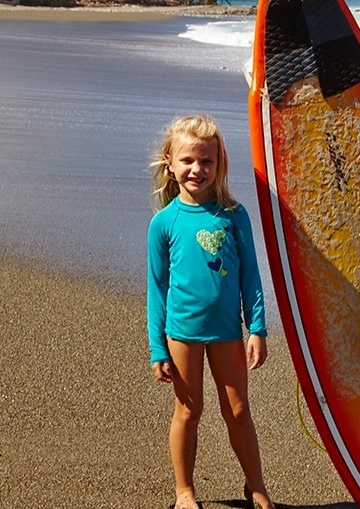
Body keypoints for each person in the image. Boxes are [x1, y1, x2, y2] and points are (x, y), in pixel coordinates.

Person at [146, 114, 277, 509]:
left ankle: (257, 488)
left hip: (227, 331)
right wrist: (157, 347)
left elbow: (251, 277)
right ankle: (184, 491)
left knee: (238, 410)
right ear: (170, 162)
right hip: (181, 331)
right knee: (188, 409)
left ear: (219, 164)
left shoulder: (233, 215)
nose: (197, 169)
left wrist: (257, 328)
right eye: (187, 160)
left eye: (207, 161)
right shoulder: (163, 222)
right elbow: (157, 289)